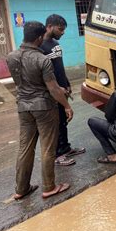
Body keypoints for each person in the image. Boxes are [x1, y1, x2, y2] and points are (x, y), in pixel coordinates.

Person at [6, 21, 73, 200]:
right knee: (47, 148)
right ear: (38, 38)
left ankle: (21, 189)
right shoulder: (42, 60)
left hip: (23, 107)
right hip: (44, 107)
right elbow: (53, 89)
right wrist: (66, 105)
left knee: (25, 148)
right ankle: (49, 187)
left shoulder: (11, 57)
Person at [41, 14, 85, 166]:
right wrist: (56, 88)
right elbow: (43, 74)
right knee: (57, 122)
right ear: (49, 27)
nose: (63, 32)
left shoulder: (54, 43)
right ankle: (58, 154)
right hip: (52, 91)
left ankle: (65, 148)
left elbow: (59, 65)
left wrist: (67, 82)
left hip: (62, 87)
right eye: (60, 29)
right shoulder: (40, 46)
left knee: (64, 121)